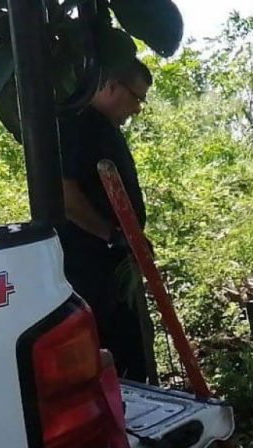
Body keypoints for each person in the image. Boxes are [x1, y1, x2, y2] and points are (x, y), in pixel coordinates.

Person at [57, 58, 156, 383]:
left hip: (114, 262)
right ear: (111, 86)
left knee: (134, 344)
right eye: (136, 97)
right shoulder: (79, 125)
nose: (138, 108)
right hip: (91, 268)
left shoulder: (103, 128)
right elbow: (65, 193)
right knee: (113, 351)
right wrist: (112, 235)